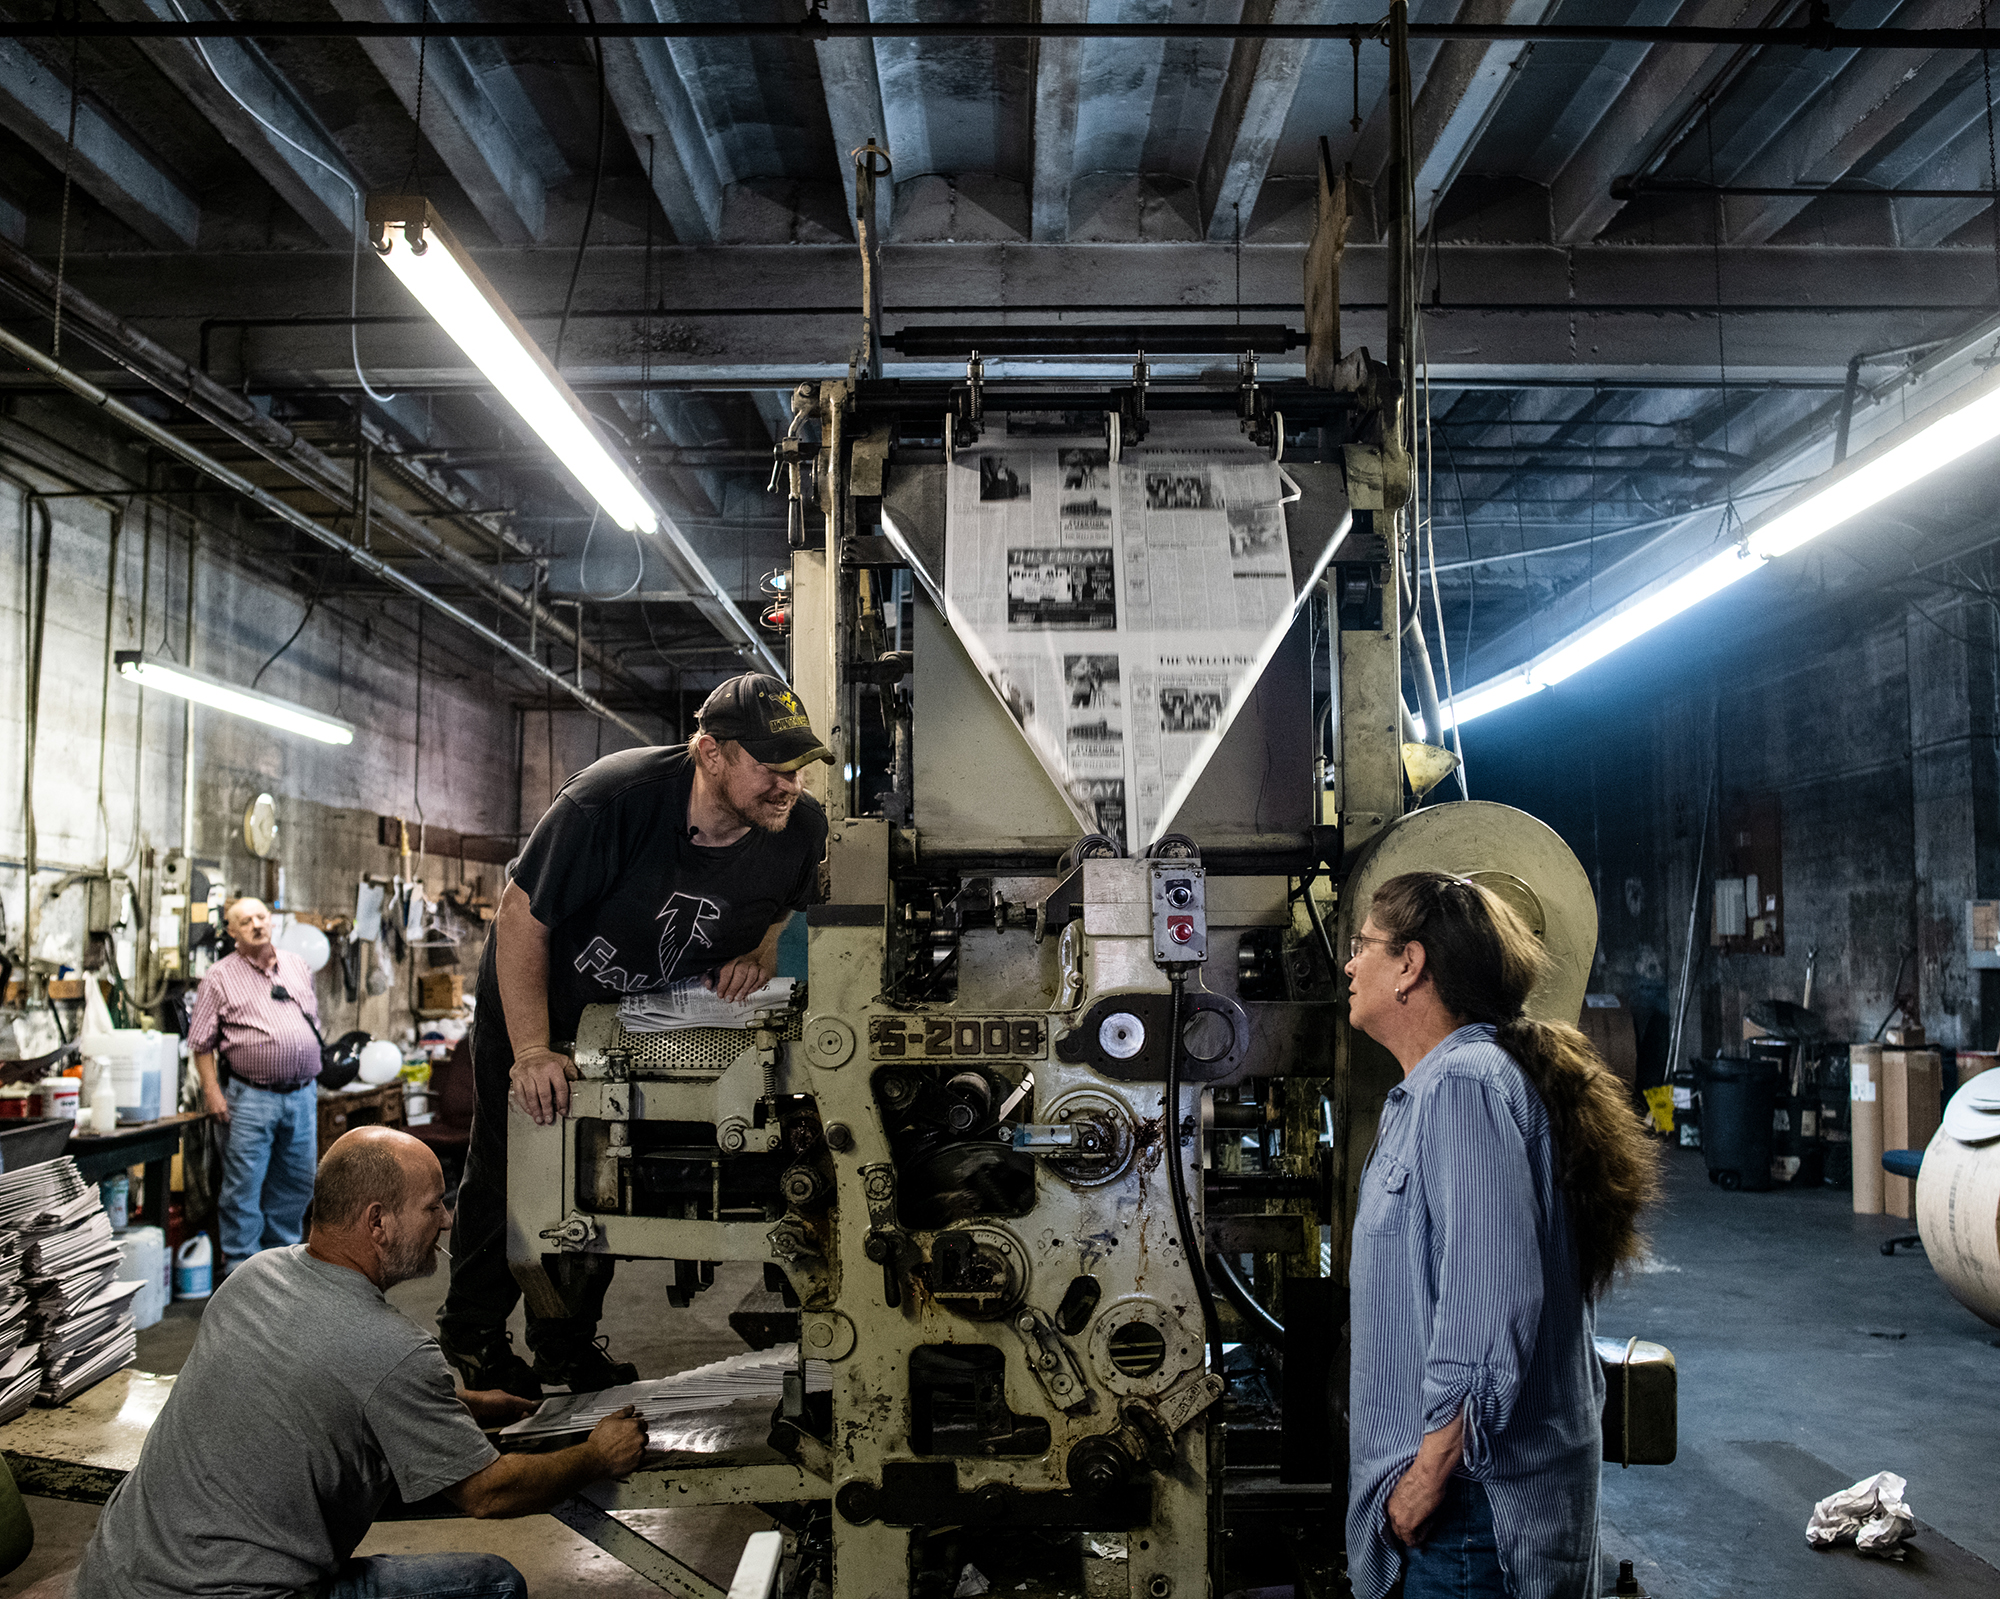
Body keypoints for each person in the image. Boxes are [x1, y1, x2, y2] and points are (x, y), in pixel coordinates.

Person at [438, 673, 832, 1398]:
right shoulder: (609, 801)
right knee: (511, 1163)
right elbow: (521, 920)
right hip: (542, 999)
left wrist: (765, 948)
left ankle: (563, 1347)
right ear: (710, 752)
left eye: (797, 766)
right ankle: (473, 1342)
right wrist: (531, 1049)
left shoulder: (799, 829)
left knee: (601, 1167)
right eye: (770, 766)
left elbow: (793, 908)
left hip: (640, 1015)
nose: (789, 783)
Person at [74, 1127, 648, 1599]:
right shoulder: (395, 1352)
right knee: (495, 1583)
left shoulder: (253, 1276)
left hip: (115, 1577)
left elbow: (324, 1379)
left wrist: (462, 1402)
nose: (446, 1221)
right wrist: (596, 1455)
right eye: (432, 1206)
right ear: (378, 1222)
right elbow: (489, 1493)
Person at [1343, 872, 1661, 1599]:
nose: (1352, 965)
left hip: (1469, 1513)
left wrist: (1427, 1477)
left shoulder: (1466, 1086)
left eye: (1364, 945)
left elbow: (1489, 1307)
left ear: (1411, 966)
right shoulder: (1431, 1090)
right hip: (1457, 1510)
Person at [187, 895, 323, 1274]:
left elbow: (311, 1020)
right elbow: (200, 1043)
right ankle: (242, 1273)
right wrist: (213, 1092)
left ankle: (282, 1267)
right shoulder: (219, 976)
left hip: (301, 1095)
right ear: (231, 931)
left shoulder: (297, 966)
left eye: (261, 917)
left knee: (296, 1184)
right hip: (250, 1098)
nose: (257, 925)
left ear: (272, 921)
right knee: (243, 1188)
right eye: (245, 921)